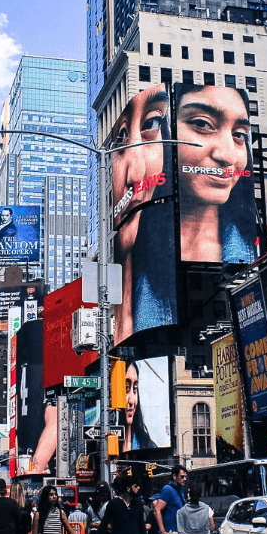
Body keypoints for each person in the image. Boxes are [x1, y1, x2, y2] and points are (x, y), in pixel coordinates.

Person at [109, 84, 178, 345]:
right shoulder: (101, 306)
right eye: (122, 136)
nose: (136, 173)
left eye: (151, 124)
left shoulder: (164, 310)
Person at [175, 84, 257, 264]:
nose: (229, 156)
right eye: (202, 124)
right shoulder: (134, 254)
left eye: (239, 135)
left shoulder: (254, 252)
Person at [121, 361, 157, 453]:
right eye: (126, 388)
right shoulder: (102, 446)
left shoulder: (148, 445)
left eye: (135, 389)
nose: (132, 401)